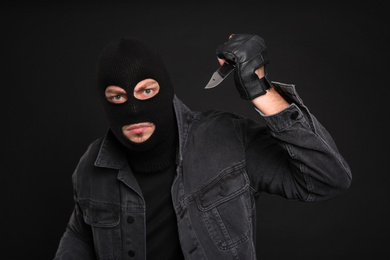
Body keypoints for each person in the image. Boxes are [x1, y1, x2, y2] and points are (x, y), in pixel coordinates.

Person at [54, 34, 351, 260]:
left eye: (146, 91)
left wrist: (260, 89)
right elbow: (80, 234)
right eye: (117, 97)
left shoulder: (227, 138)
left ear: (165, 90)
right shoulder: (92, 162)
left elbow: (328, 179)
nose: (133, 110)